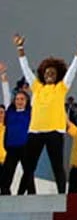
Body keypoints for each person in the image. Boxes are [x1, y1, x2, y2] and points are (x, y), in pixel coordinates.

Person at [13, 32, 77, 194]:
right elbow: (25, 69)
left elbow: (73, 70)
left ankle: (62, 195)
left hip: (55, 131)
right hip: (35, 131)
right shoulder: (36, 87)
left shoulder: (61, 88)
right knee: (29, 166)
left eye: (53, 73)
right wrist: (20, 48)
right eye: (47, 73)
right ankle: (20, 195)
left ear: (57, 76)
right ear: (43, 74)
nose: (49, 75)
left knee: (57, 165)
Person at [2, 63, 34, 195]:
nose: (19, 101)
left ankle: (31, 196)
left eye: (22, 99)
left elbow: (36, 95)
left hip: (26, 147)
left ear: (26, 101)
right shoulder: (10, 111)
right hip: (11, 148)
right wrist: (3, 75)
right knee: (6, 175)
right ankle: (5, 196)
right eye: (17, 99)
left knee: (28, 174)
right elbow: (6, 95)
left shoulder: (30, 112)